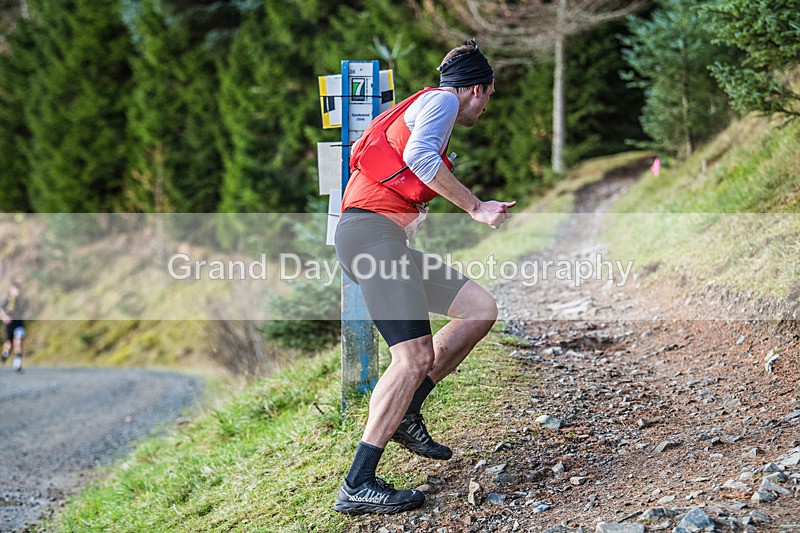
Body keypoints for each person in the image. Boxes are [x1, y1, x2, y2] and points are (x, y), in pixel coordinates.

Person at [333, 39, 516, 514]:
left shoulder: (426, 105)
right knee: (413, 357)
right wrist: (476, 207)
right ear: (476, 88)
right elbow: (420, 158)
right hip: (371, 238)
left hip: (378, 239)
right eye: (489, 95)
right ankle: (358, 483)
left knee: (479, 309)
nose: (487, 106)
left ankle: (407, 411)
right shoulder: (442, 101)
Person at [1, 281, 26, 372]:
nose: (17, 292)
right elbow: (1, 309)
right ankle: (5, 354)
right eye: (15, 289)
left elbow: (27, 310)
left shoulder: (22, 300)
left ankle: (17, 364)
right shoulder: (7, 299)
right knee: (9, 344)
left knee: (18, 342)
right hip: (10, 325)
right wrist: (5, 317)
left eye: (18, 290)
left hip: (19, 324)